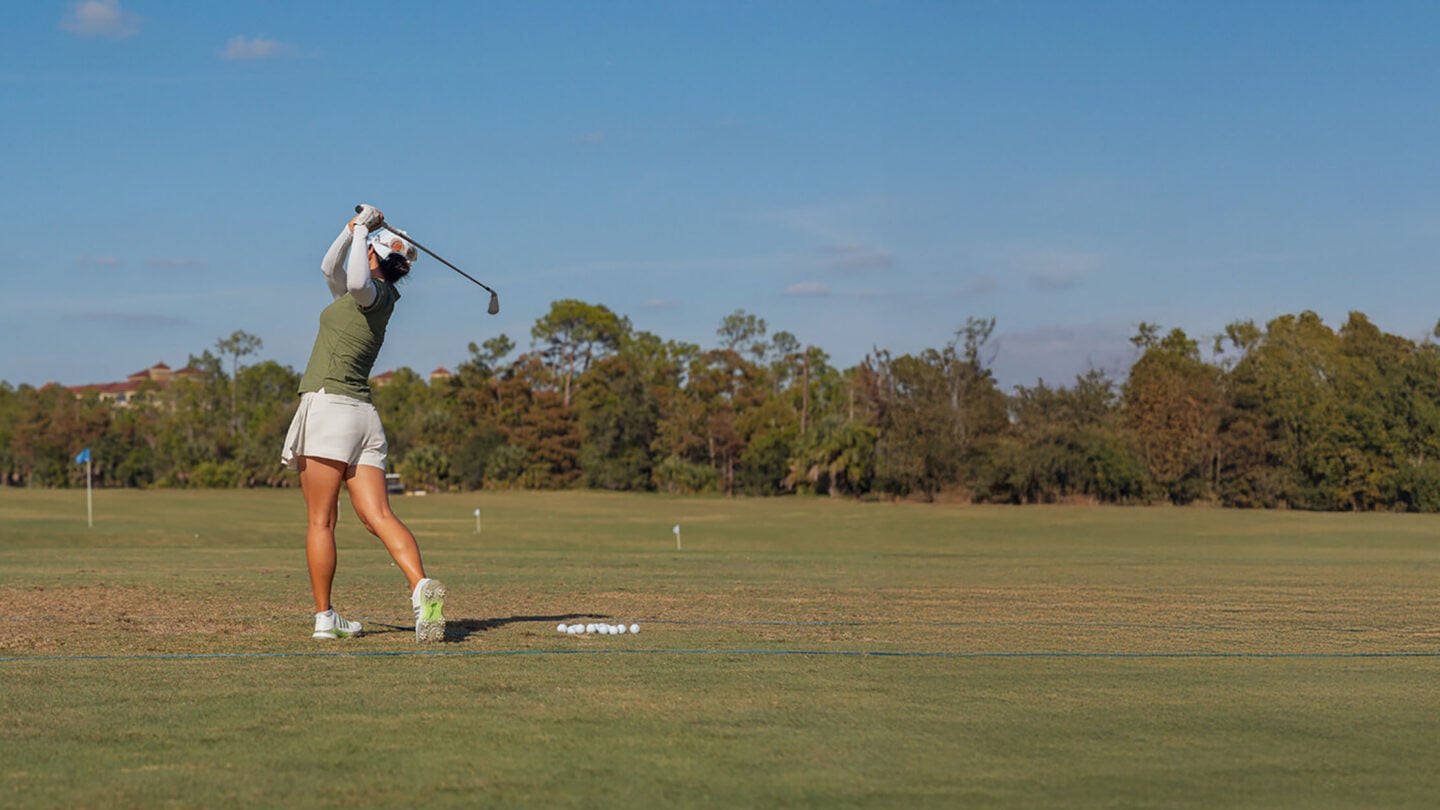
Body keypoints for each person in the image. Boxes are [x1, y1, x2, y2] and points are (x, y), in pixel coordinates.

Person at [280, 204, 447, 643]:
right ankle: (420, 588)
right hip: (362, 419)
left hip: (330, 409)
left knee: (321, 521)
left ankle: (324, 618)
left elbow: (354, 277)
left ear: (374, 254)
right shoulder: (370, 297)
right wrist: (353, 228)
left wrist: (361, 234)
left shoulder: (370, 292)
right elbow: (329, 268)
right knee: (378, 516)